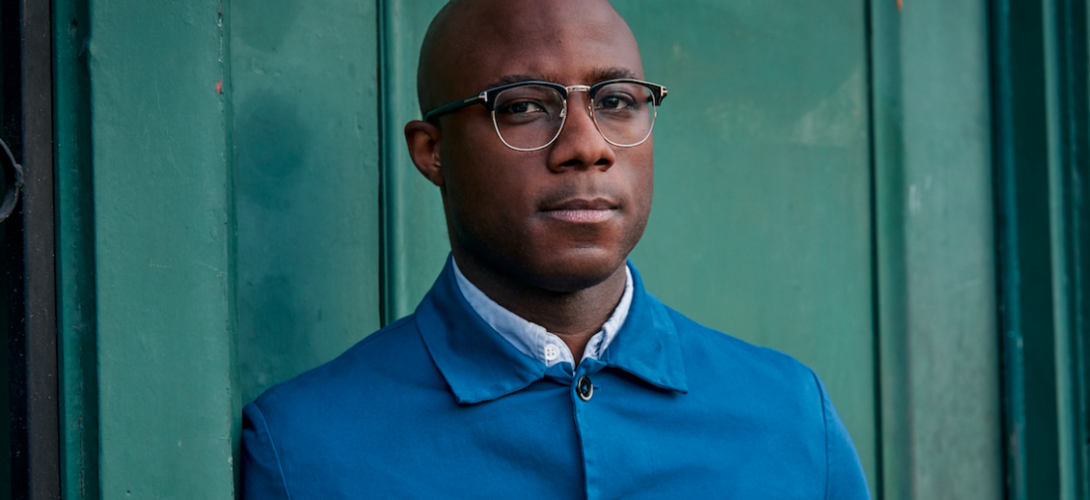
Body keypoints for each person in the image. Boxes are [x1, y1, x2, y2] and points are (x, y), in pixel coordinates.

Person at [241, 0, 871, 498]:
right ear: (431, 152)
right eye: (522, 107)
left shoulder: (788, 416)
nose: (586, 145)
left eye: (617, 101)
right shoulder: (305, 449)